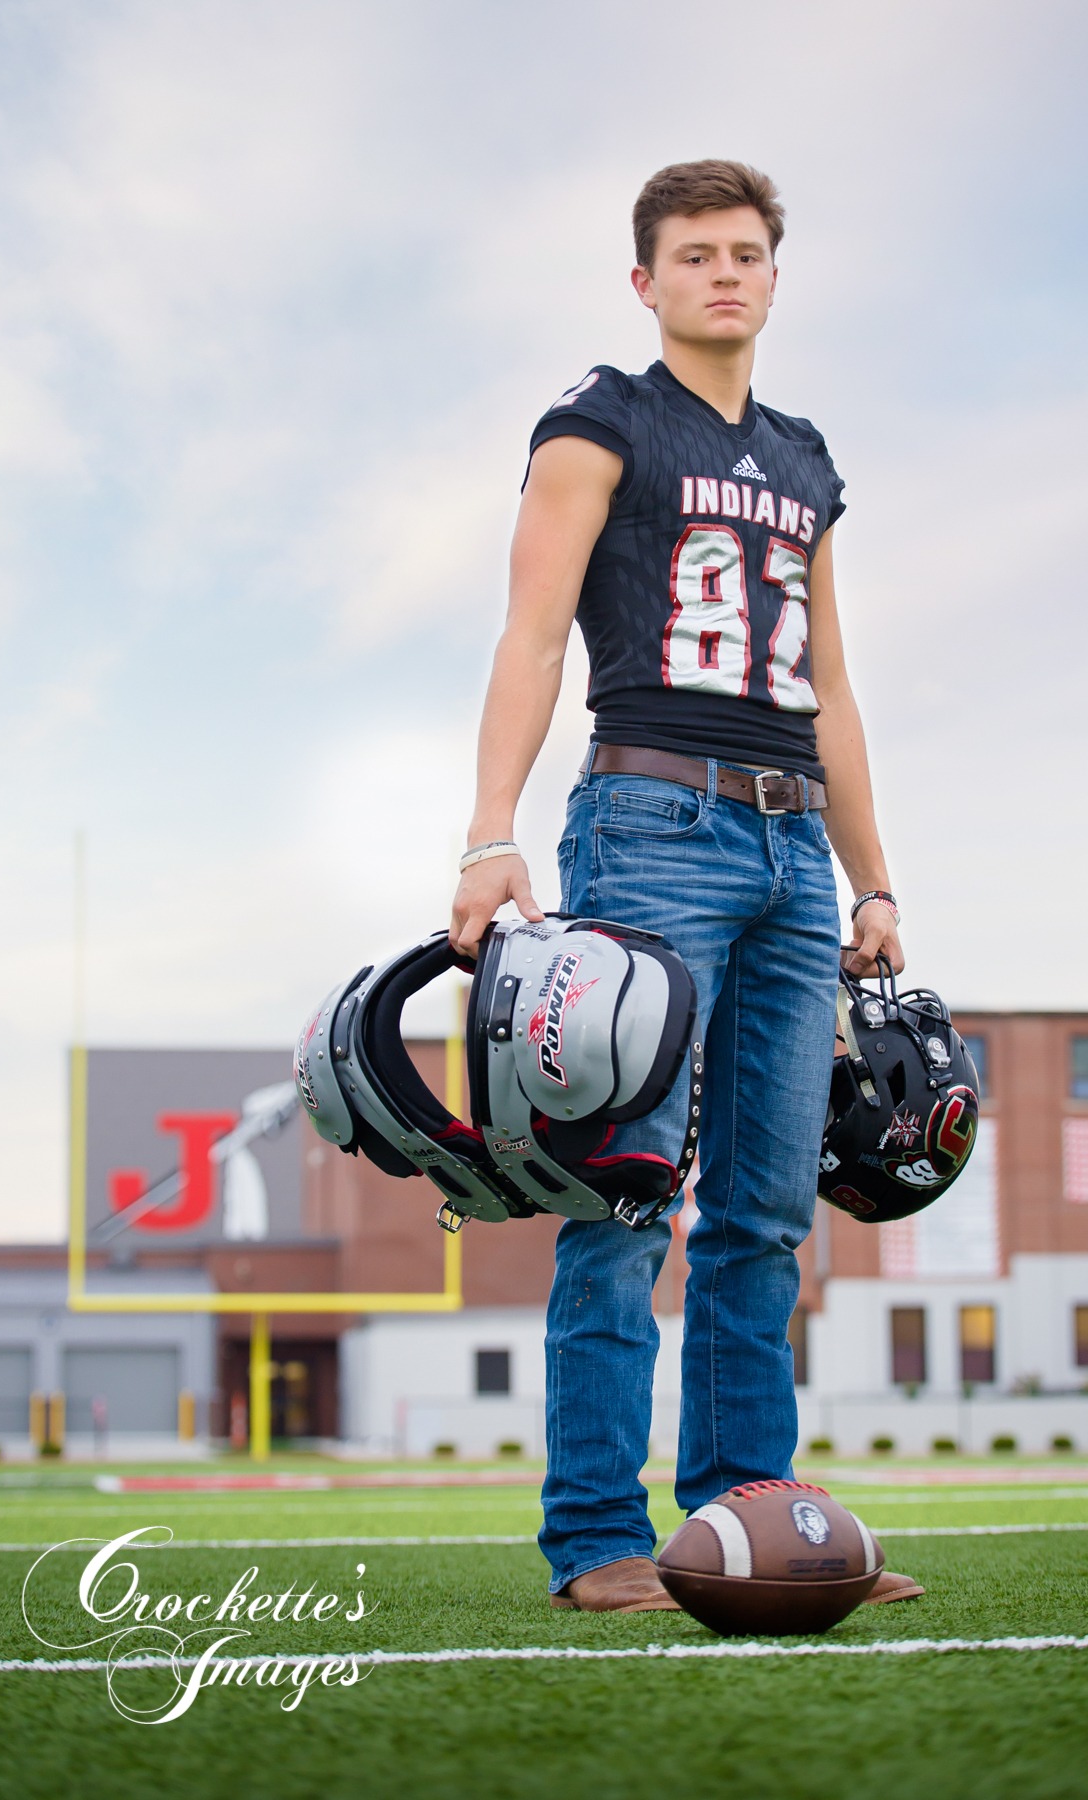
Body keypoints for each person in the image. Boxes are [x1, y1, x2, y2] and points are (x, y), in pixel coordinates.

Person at [450, 159, 921, 1612]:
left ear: (775, 278)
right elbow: (534, 636)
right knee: (629, 1189)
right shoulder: (601, 421)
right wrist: (488, 831)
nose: (724, 273)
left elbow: (831, 686)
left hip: (791, 848)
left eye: (746, 253)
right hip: (651, 819)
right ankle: (596, 1535)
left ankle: (743, 1522)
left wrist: (876, 882)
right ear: (645, 281)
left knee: (768, 1213)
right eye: (693, 254)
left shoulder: (805, 460)